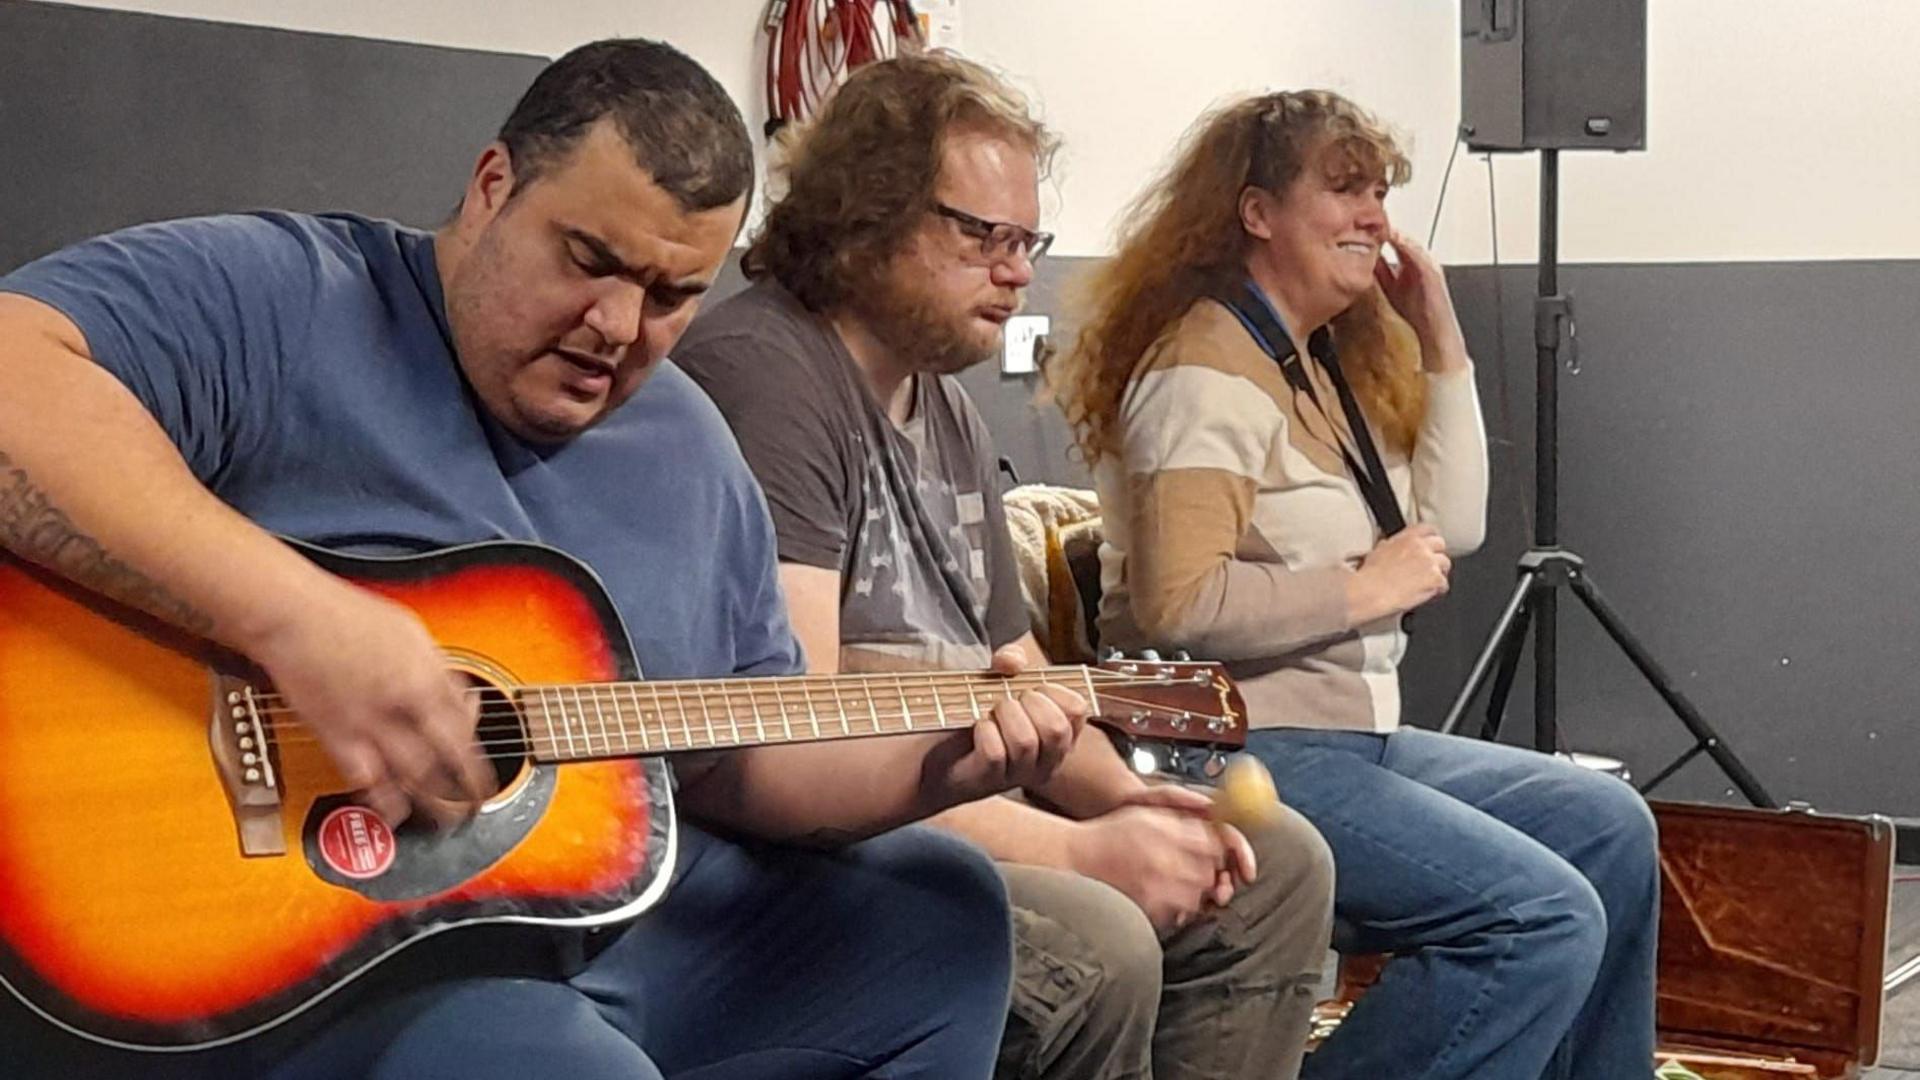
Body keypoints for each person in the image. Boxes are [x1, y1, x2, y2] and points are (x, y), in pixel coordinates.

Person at [0, 38, 1089, 1080]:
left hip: (589, 915)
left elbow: (742, 756)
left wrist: (949, 763)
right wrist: (296, 618)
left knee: (940, 913)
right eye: (590, 260)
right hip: (327, 937)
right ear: (490, 187)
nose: (618, 325)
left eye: (673, 296)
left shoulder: (691, 448)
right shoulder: (291, 296)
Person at [675, 54, 1334, 1080]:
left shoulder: (938, 398)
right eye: (984, 235)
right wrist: (1075, 850)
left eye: (1029, 241)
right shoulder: (765, 378)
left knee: (1278, 865)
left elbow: (1016, 671)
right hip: (828, 836)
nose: (1019, 270)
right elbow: (795, 735)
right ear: (865, 216)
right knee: (1099, 941)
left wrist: (1123, 799)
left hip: (957, 800)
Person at [1048, 89, 1659, 1080]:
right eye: (1343, 190)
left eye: (1380, 190)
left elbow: (1446, 530)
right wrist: (1358, 590)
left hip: (1347, 736)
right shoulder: (1202, 369)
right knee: (1538, 919)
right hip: (1238, 744)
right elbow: (1174, 609)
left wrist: (1442, 339)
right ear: (1256, 213)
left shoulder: (1313, 362)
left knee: (1610, 826)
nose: (1374, 214)